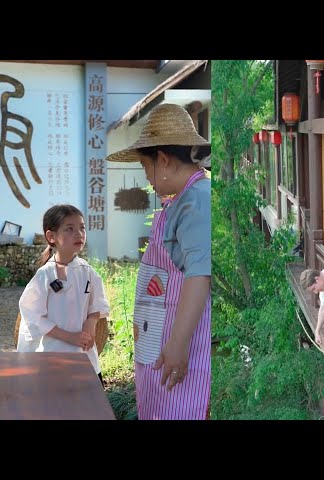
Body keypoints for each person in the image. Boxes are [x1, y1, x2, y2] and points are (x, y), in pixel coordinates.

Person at [106, 103, 211, 420]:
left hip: (182, 343)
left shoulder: (197, 199)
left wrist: (178, 343)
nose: (146, 177)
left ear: (163, 159)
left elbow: (199, 275)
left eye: (145, 167)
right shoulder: (179, 200)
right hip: (159, 339)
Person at [17, 204, 110, 385]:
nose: (79, 233)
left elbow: (98, 303)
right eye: (69, 229)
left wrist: (91, 322)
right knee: (54, 408)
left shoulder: (87, 271)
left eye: (82, 227)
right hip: (52, 357)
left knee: (86, 406)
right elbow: (32, 315)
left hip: (84, 355)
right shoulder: (44, 275)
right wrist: (69, 337)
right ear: (51, 237)